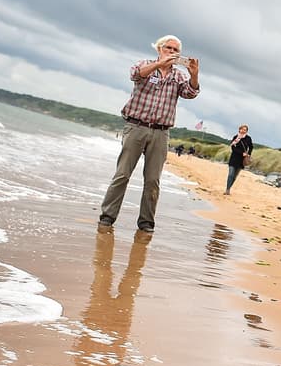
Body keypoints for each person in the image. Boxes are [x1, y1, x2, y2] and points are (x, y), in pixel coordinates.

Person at [98, 35, 200, 233]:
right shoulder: (144, 64)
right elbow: (136, 75)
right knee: (122, 174)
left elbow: (190, 93)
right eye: (168, 48)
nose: (172, 52)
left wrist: (194, 75)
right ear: (159, 48)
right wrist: (159, 64)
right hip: (136, 127)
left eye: (175, 50)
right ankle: (107, 216)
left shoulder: (178, 76)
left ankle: (146, 222)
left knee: (153, 180)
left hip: (161, 132)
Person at [224, 124, 254, 195]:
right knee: (230, 174)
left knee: (234, 176)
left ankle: (229, 188)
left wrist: (248, 153)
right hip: (234, 158)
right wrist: (241, 153)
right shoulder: (235, 137)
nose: (243, 131)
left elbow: (251, 147)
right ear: (239, 129)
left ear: (246, 131)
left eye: (245, 130)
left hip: (241, 161)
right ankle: (227, 190)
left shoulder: (248, 138)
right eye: (242, 129)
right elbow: (233, 148)